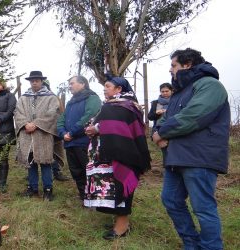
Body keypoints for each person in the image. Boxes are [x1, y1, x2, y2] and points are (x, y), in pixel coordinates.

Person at [152, 48, 230, 249]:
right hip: (176, 157)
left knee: (203, 208)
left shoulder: (210, 85)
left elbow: (193, 117)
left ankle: (211, 247)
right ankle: (192, 244)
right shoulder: (180, 93)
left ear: (187, 65)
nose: (171, 70)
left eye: (173, 65)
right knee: (170, 200)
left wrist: (162, 133)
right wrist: (157, 132)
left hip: (200, 156)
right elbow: (165, 119)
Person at [85, 76, 151, 240]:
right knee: (112, 188)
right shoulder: (112, 104)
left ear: (119, 89)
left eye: (108, 86)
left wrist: (97, 127)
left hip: (123, 154)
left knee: (121, 184)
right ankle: (119, 221)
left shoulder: (126, 105)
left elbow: (117, 124)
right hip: (107, 154)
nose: (104, 89)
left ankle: (122, 226)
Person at [14, 71, 63, 201]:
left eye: (37, 80)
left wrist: (36, 124)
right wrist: (25, 124)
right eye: (32, 80)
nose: (34, 82)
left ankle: (48, 189)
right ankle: (32, 188)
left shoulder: (51, 97)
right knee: (31, 162)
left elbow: (53, 113)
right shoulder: (23, 98)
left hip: (43, 134)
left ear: (42, 81)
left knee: (46, 162)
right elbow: (17, 112)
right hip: (27, 134)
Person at [57, 75, 101, 200]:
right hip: (70, 143)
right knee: (76, 171)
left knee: (88, 170)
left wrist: (71, 133)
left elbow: (89, 117)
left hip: (85, 143)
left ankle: (94, 197)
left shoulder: (92, 98)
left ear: (83, 84)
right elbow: (61, 120)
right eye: (69, 84)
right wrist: (63, 133)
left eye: (72, 83)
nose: (70, 86)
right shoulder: (71, 102)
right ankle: (84, 196)